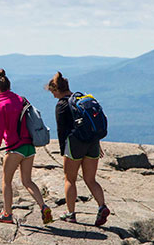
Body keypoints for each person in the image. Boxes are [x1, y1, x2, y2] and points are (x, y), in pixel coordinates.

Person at [0, 69, 53, 225]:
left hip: (14, 148)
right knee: (27, 181)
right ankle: (43, 206)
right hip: (29, 147)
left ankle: (7, 214)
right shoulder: (21, 99)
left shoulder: (1, 106)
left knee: (6, 181)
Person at [46, 71, 110, 226]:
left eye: (52, 92)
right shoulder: (81, 100)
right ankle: (102, 206)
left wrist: (64, 150)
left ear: (56, 90)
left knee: (70, 179)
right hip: (92, 142)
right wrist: (96, 142)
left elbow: (62, 130)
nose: (53, 96)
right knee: (90, 179)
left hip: (75, 144)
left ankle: (71, 213)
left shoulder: (62, 104)